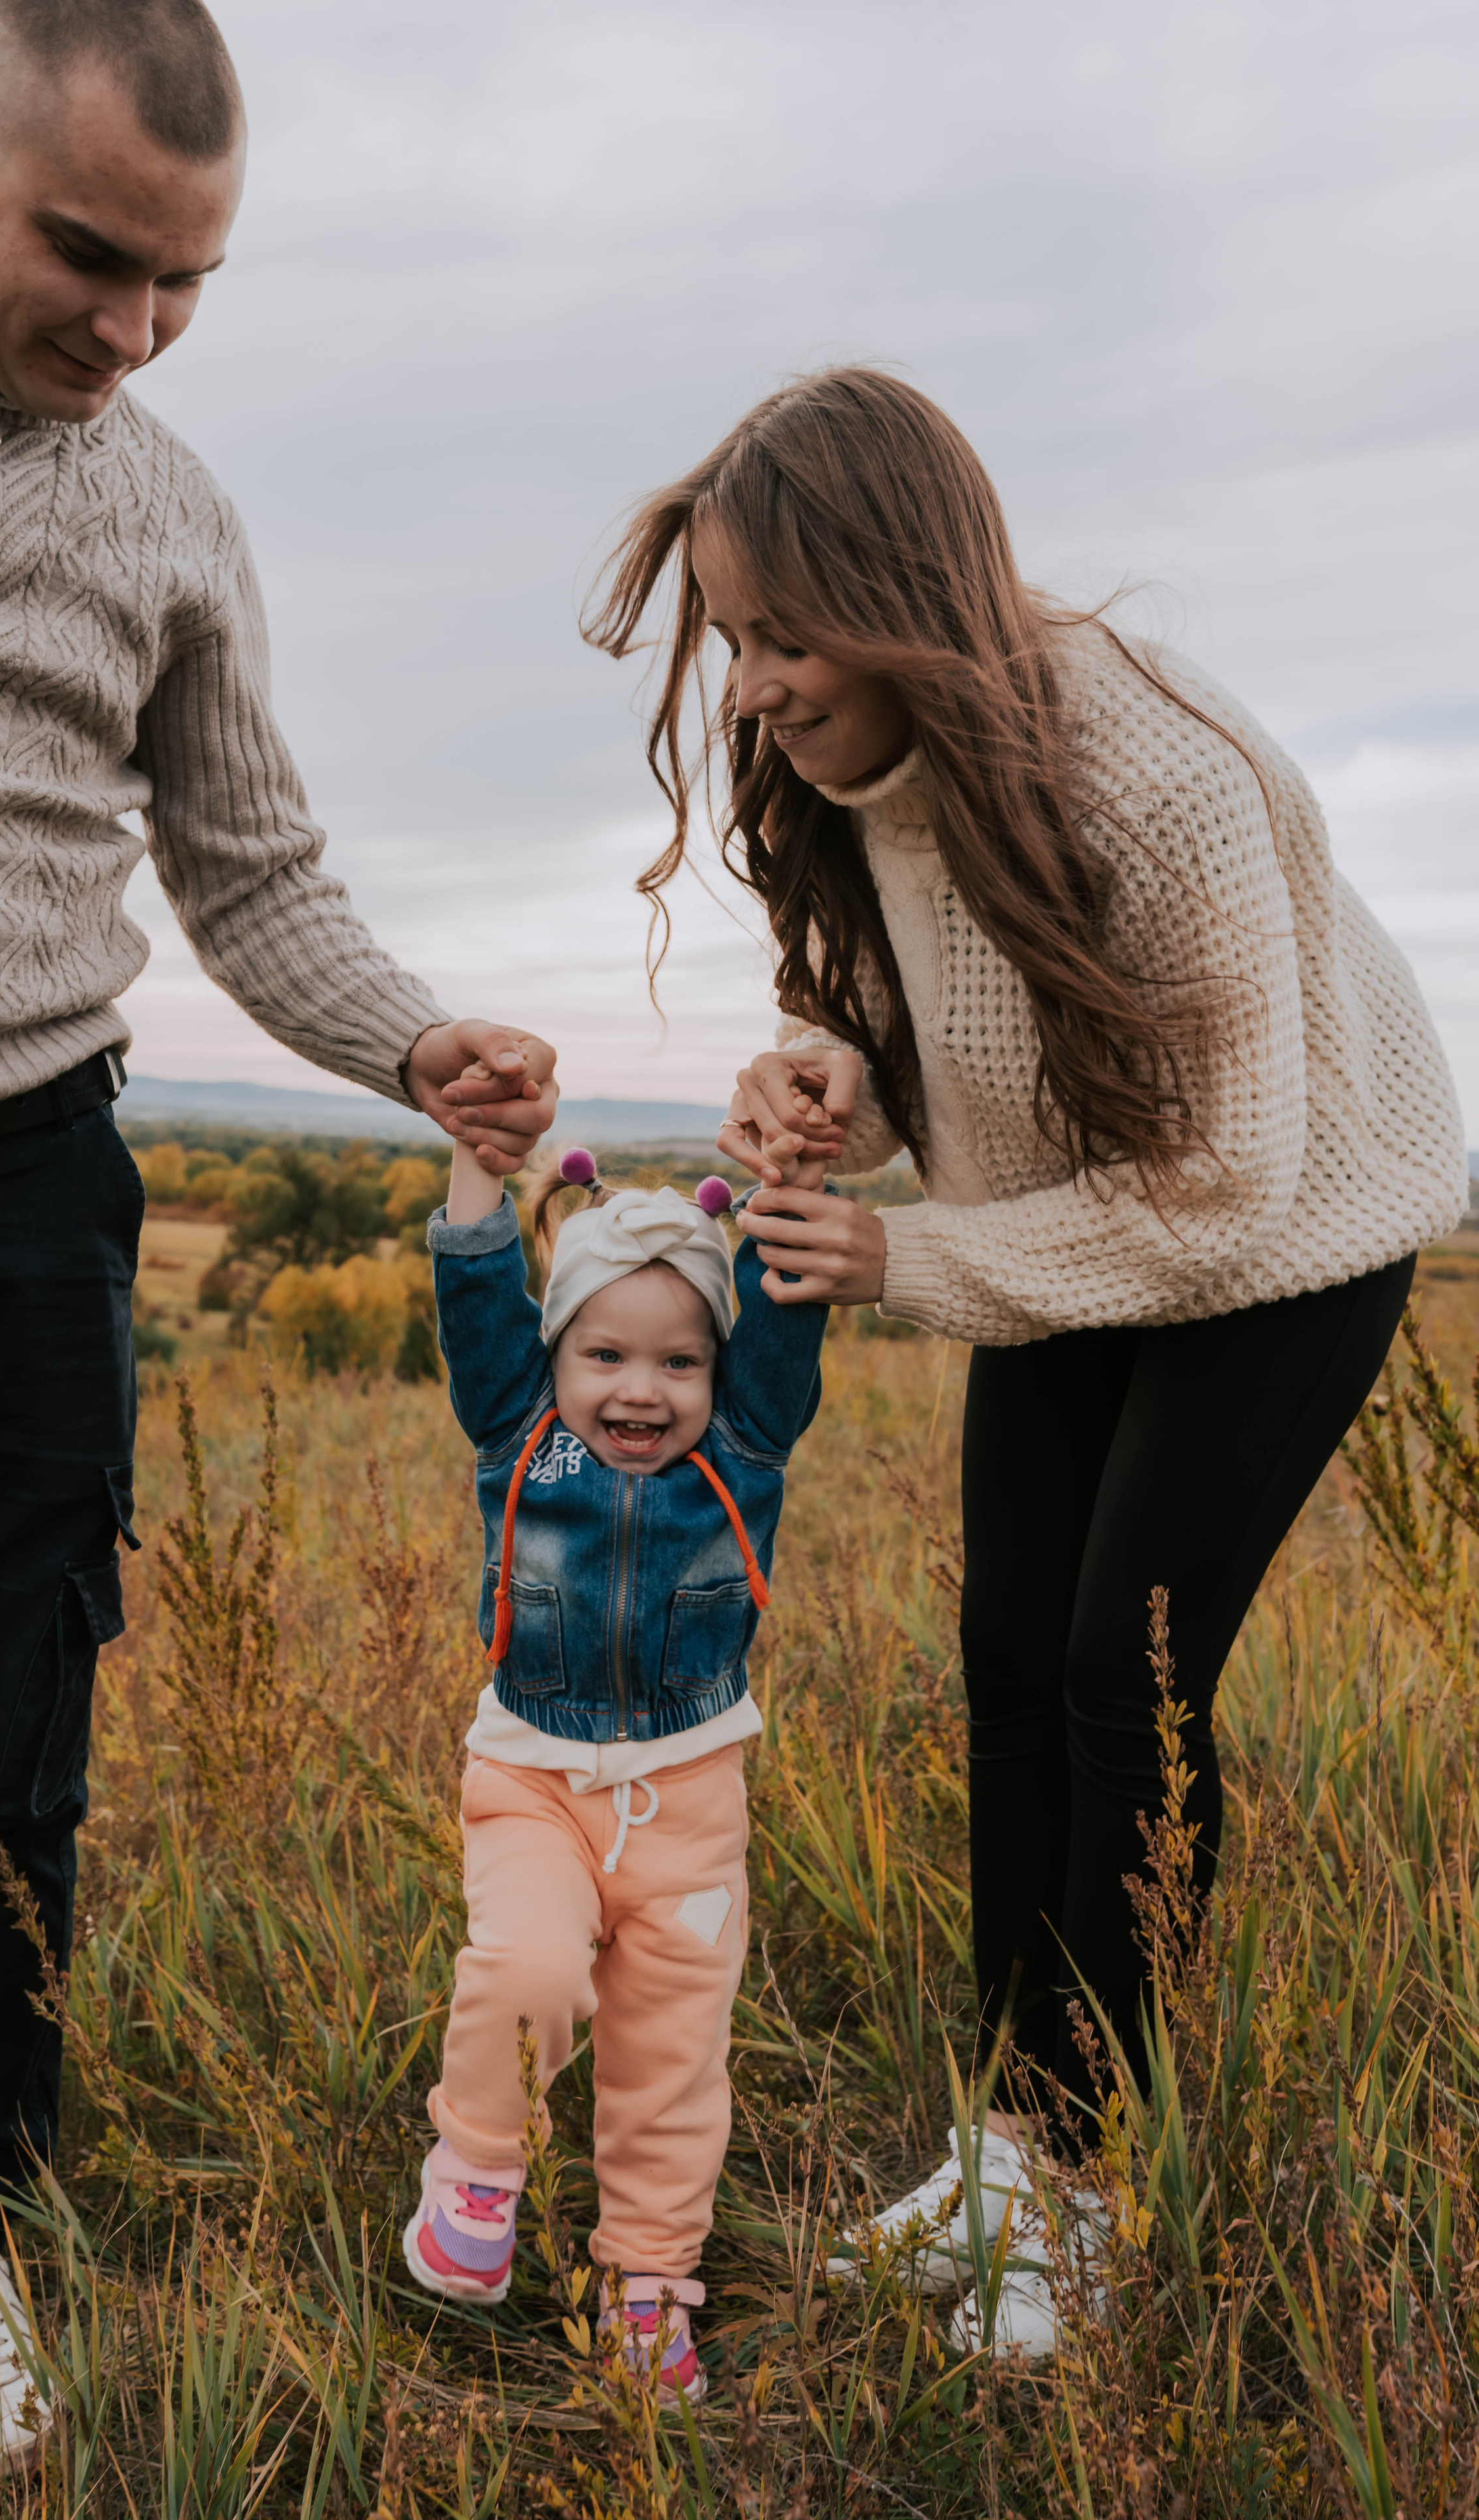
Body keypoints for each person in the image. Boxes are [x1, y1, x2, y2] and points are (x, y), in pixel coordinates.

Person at [0, 0, 555, 2479]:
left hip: (22, 1183)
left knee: (5, 1760)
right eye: (95, 255)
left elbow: (250, 868)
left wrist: (417, 1047)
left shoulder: (170, 512)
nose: (133, 332)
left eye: (190, 286)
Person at [584, 366, 1468, 2358]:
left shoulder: (1162, 774)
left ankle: (1093, 2188)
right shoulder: (853, 767)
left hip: (1286, 1237)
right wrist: (837, 1076)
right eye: (735, 638)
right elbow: (949, 1036)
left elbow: (1230, 1186)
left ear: (904, 599)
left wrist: (900, 1250)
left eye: (785, 635)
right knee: (1003, 1657)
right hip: (1078, 1225)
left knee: (1113, 1674)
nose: (750, 686)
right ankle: (1016, 2137)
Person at [410, 1125, 830, 2400]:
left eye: (676, 1361)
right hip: (533, 1779)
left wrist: (794, 1180)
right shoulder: (515, 1431)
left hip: (690, 1801)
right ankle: (476, 2168)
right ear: (553, 1358)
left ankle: (646, 2289)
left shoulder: (742, 1444)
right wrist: (478, 1169)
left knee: (668, 2058)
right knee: (528, 1966)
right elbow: (477, 1292)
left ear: (719, 1369)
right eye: (603, 1355)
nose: (638, 1390)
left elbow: (780, 1310)